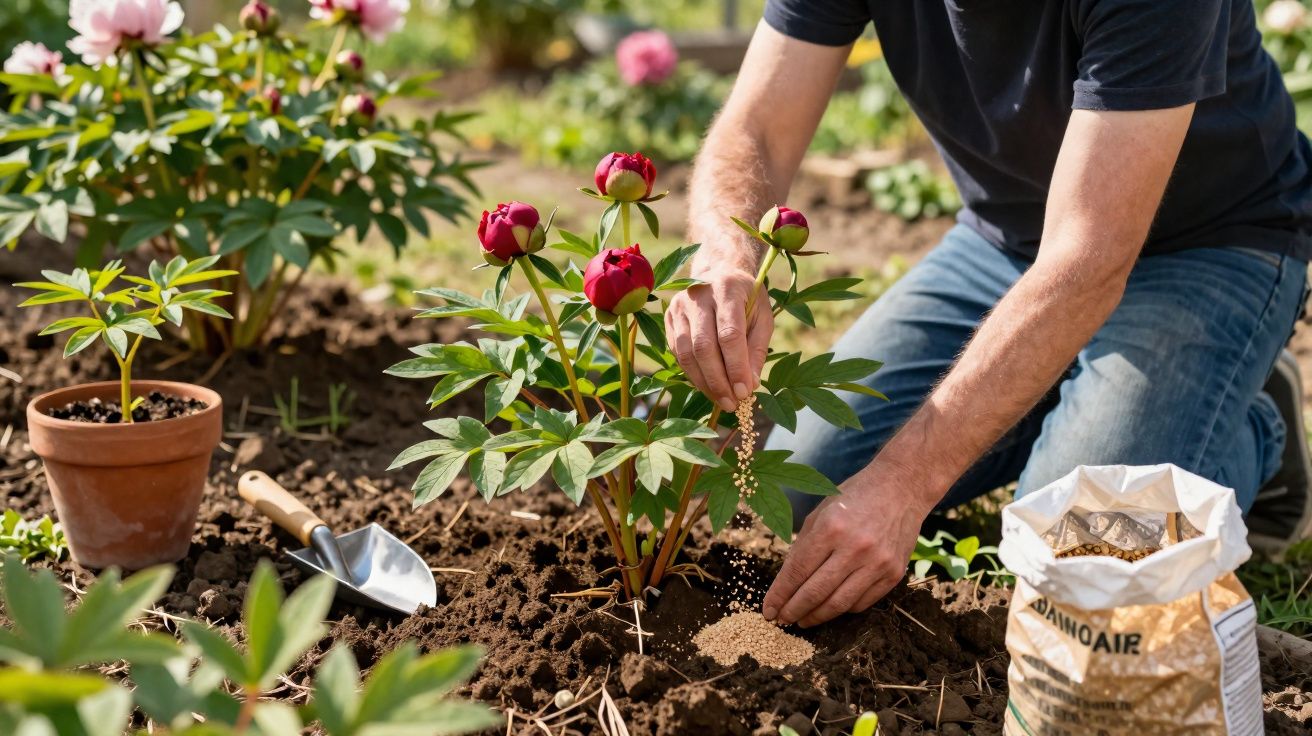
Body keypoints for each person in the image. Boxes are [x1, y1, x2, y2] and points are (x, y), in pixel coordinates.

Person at [667, 0, 1312, 629]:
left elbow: (1089, 257)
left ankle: (1257, 425)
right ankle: (1065, 395)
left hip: (1207, 247)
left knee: (1081, 554)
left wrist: (902, 484)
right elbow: (756, 129)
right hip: (1009, 244)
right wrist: (724, 258)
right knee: (800, 488)